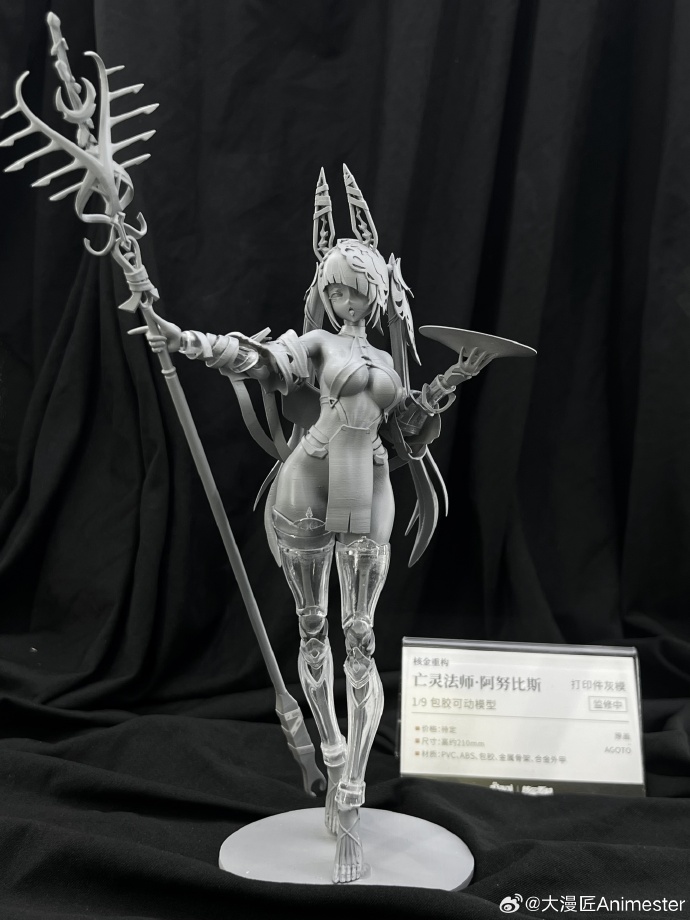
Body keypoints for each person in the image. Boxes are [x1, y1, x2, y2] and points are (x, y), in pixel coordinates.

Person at [140, 166, 493, 883]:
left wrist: (455, 378)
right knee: (312, 628)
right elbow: (266, 359)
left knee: (360, 637)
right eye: (334, 289)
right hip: (310, 480)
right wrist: (193, 342)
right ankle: (331, 753)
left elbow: (406, 426)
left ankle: (352, 786)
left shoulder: (387, 356)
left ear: (375, 290)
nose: (343, 299)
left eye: (353, 288)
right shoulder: (316, 343)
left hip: (371, 484)